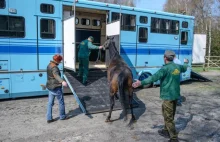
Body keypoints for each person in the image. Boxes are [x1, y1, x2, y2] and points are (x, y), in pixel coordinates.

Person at [132, 50, 189, 142]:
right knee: (168, 114)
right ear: (173, 58)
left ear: (165, 58)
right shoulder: (177, 67)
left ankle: (174, 138)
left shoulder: (164, 69)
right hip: (175, 95)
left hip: (168, 96)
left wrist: (140, 82)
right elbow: (185, 68)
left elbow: (153, 78)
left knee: (168, 117)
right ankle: (166, 130)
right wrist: (186, 62)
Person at [46, 54, 68, 123]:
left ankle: (49, 118)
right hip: (56, 86)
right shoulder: (54, 67)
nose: (60, 62)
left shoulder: (49, 64)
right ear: (57, 60)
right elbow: (56, 75)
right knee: (61, 102)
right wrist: (62, 81)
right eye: (60, 61)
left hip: (50, 86)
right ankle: (62, 116)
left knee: (50, 103)